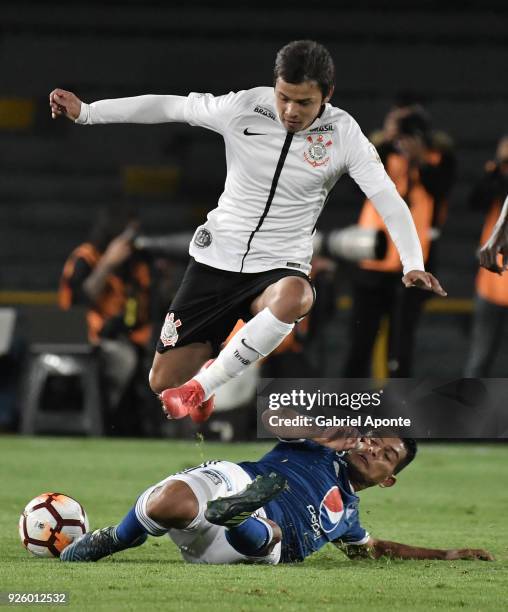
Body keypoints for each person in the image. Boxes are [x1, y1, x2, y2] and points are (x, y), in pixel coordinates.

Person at [50, 40, 445, 423]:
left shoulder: (343, 134)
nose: (290, 110)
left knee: (298, 294)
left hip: (278, 266)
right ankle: (204, 378)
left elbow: (387, 198)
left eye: (304, 102)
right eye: (283, 96)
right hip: (215, 260)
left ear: (327, 94)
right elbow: (171, 105)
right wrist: (87, 112)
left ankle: (202, 387)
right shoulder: (243, 106)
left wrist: (412, 261)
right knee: (161, 380)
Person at [59, 423, 492, 564]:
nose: (375, 448)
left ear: (388, 480)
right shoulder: (316, 445)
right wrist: (323, 433)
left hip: (242, 545)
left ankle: (237, 517)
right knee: (168, 504)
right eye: (376, 439)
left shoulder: (348, 517)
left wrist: (446, 555)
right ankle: (118, 538)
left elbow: (372, 549)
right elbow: (275, 418)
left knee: (270, 538)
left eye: (388, 455)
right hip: (240, 480)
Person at [344, 102, 455, 377]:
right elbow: (354, 184)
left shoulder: (439, 158)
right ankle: (344, 415)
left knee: (401, 350)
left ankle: (396, 414)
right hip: (371, 264)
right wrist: (383, 141)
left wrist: (417, 160)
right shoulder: (378, 155)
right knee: (359, 346)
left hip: (412, 269)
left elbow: (441, 189)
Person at [59, 206, 152, 431]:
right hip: (81, 335)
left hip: (124, 336)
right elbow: (80, 300)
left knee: (141, 356)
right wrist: (108, 263)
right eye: (130, 231)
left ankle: (133, 425)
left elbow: (140, 308)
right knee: (122, 358)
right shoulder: (86, 257)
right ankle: (101, 417)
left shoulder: (135, 263)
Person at [464, 136, 508, 376]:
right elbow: (475, 200)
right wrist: (497, 167)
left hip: (494, 283)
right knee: (479, 360)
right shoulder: (497, 178)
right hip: (492, 287)